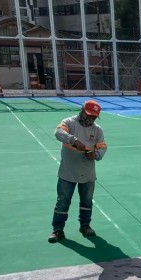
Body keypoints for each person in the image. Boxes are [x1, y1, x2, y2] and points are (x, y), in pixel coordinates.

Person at [48, 100, 107, 243]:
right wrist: (73, 140)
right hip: (68, 172)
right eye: (89, 115)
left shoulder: (97, 130)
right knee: (63, 201)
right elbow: (58, 132)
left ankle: (85, 226)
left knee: (87, 201)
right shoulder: (69, 122)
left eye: (94, 117)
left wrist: (96, 155)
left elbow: (102, 147)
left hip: (87, 172)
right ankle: (58, 230)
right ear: (82, 111)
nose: (91, 119)